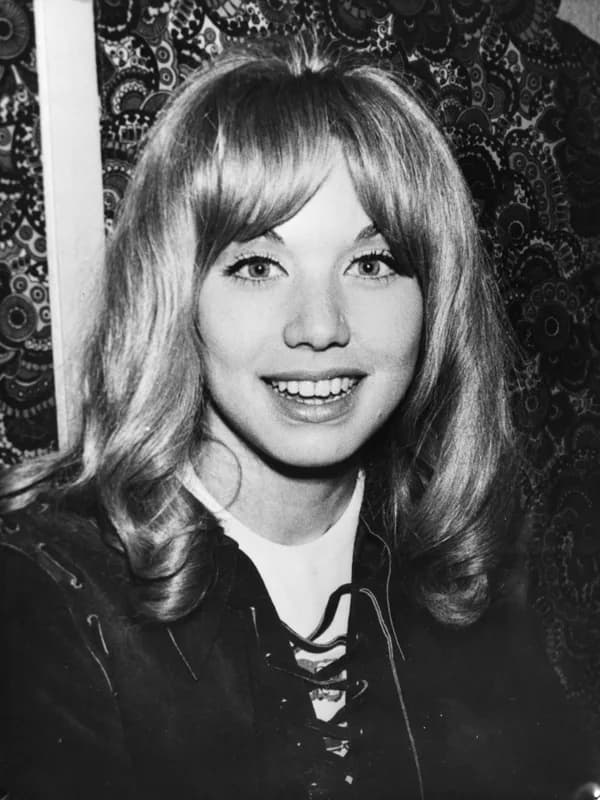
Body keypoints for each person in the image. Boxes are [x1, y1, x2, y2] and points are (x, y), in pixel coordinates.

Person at [0, 37, 596, 800]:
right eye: (257, 266)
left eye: (372, 264)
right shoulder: (47, 596)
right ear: (173, 297)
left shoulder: (459, 548)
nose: (319, 326)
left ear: (434, 302)